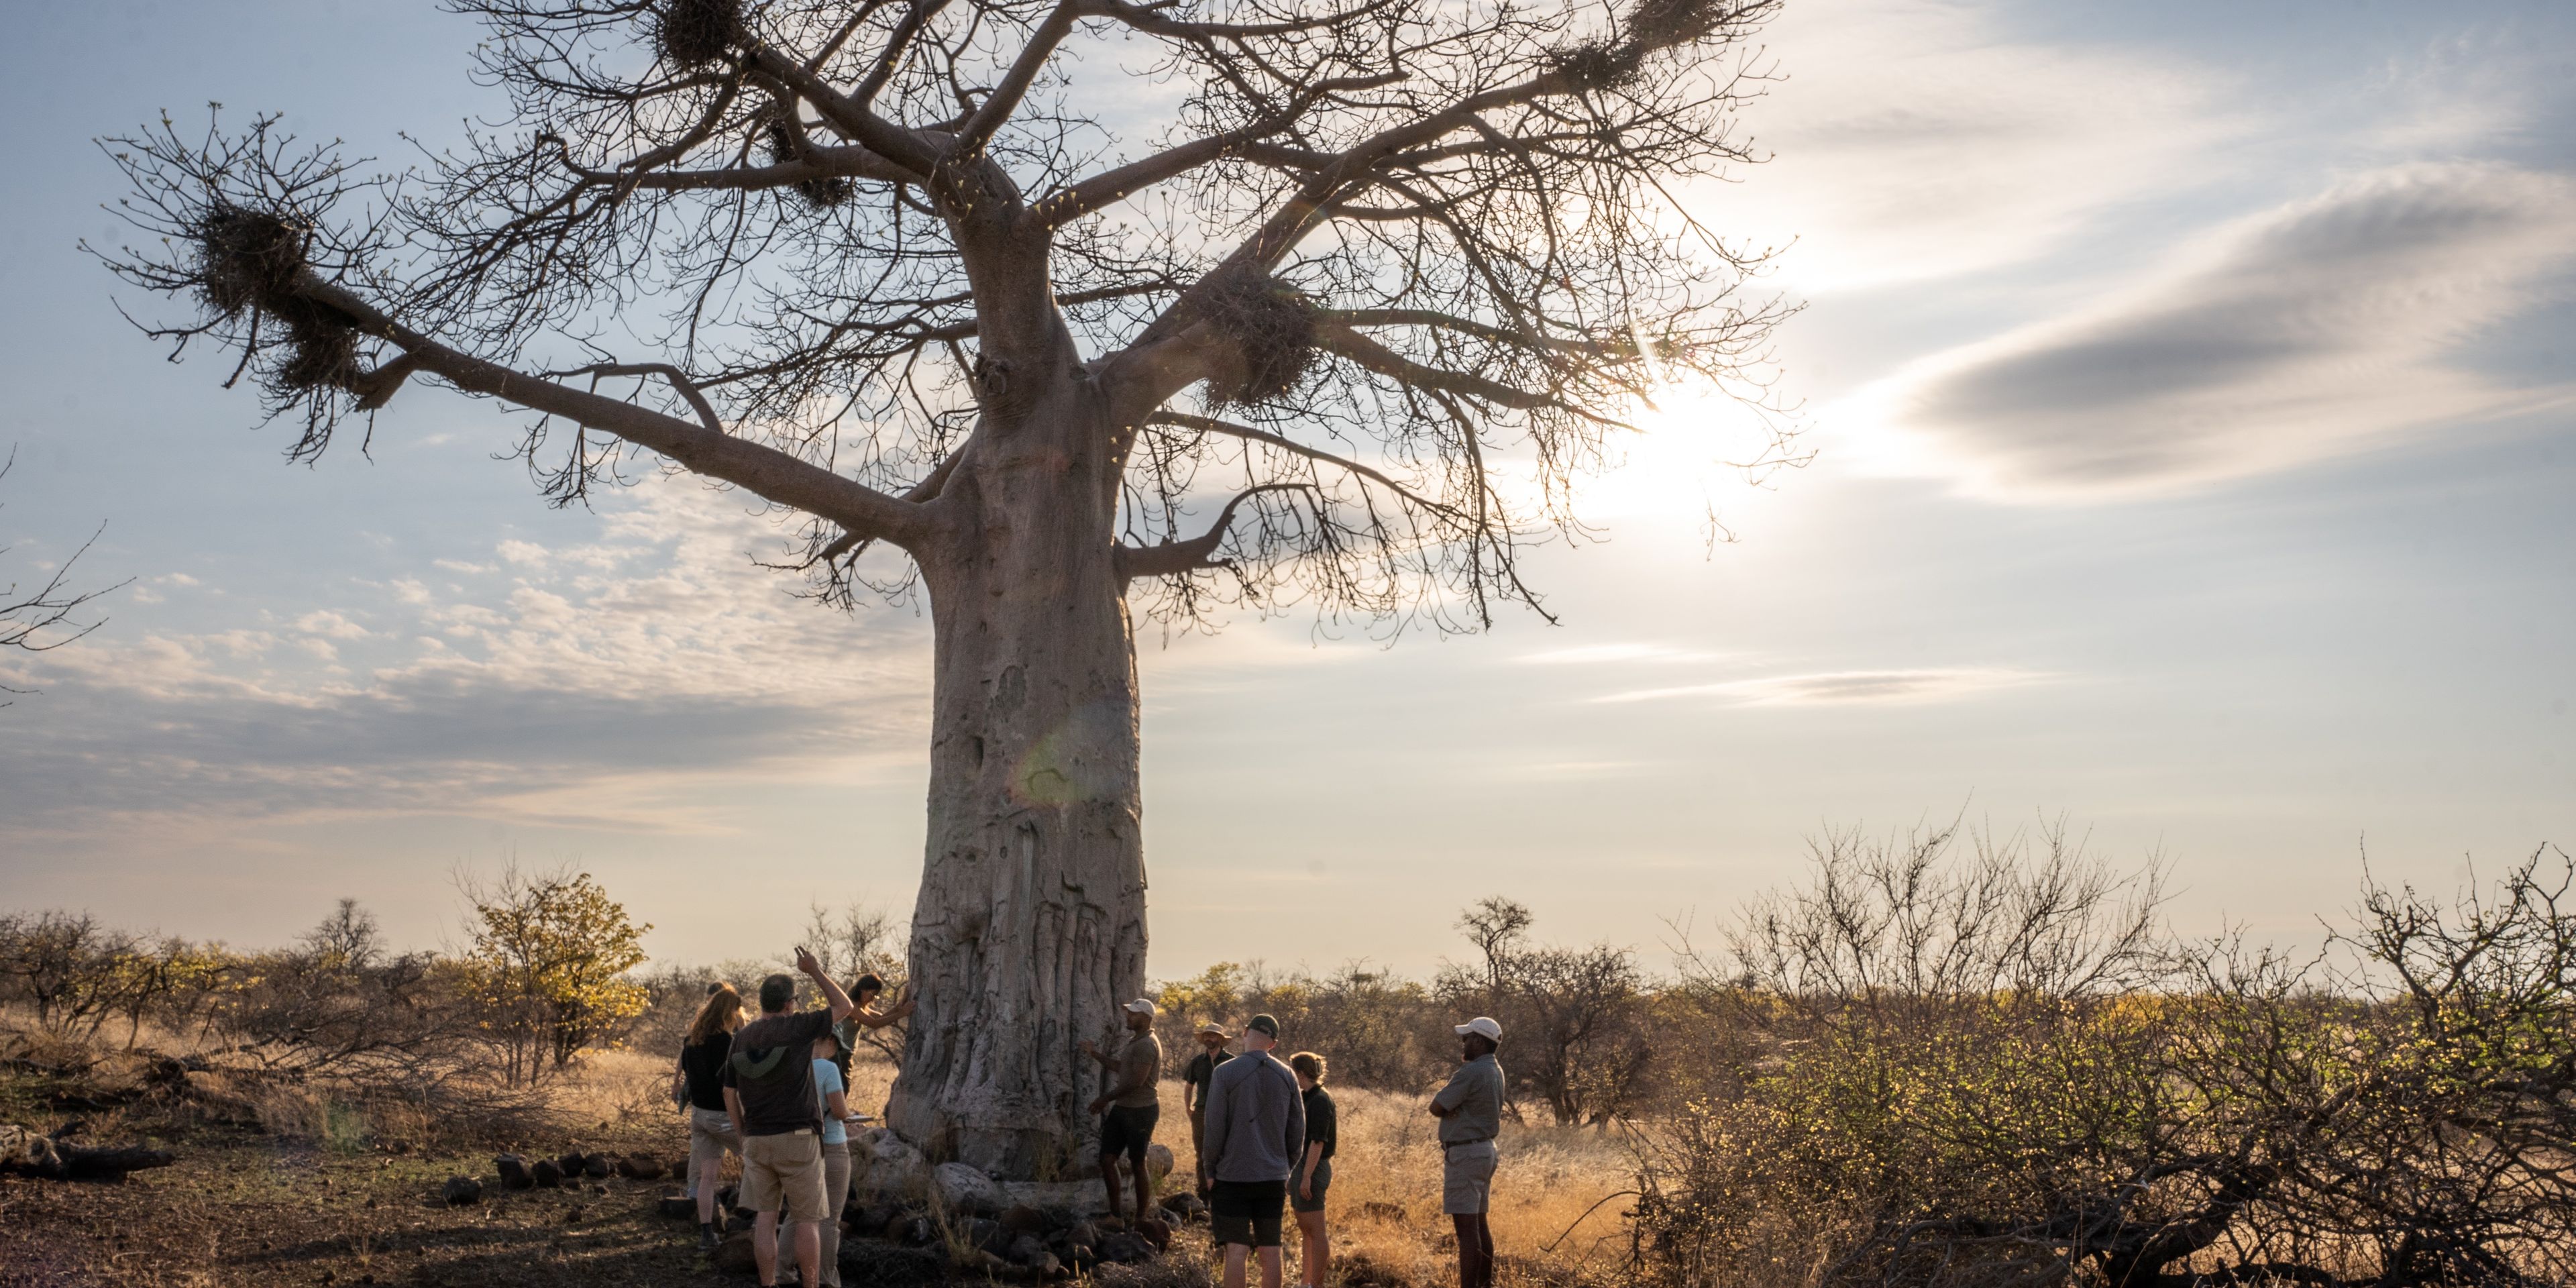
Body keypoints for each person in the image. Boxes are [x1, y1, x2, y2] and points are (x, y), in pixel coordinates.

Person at [722, 949, 858, 1288]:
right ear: (788, 1003)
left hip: (756, 1140)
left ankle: (769, 1284)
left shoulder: (742, 1037)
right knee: (808, 1221)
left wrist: (742, 1135)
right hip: (798, 1139)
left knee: (766, 1221)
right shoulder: (796, 1027)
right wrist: (814, 971)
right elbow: (845, 1007)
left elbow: (728, 1091)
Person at [1199, 1014, 1305, 1288]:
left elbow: (1213, 1130)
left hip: (1232, 1176)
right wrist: (1286, 1168)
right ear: (1274, 1043)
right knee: (1271, 1249)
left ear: (1245, 1032)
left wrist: (1210, 1168)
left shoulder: (1224, 1072)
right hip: (1272, 1177)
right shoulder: (1287, 1075)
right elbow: (1297, 1132)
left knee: (1237, 1249)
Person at [777, 1029, 859, 1287]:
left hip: (800, 1146)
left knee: (797, 1214)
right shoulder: (829, 1069)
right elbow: (838, 1110)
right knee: (829, 1217)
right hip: (832, 1146)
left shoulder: (791, 1067)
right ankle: (826, 1279)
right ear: (830, 1041)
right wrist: (849, 1113)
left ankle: (783, 1273)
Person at [1427, 1016, 1505, 1288]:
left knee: (1467, 1232)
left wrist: (1451, 1108)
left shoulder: (1471, 1072)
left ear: (1478, 1041)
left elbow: (1436, 1107)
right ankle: (1486, 1284)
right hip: (1485, 1151)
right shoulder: (1494, 1069)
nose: (1463, 1042)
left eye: (1467, 1038)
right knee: (1480, 1224)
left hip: (1466, 1155)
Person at [1079, 997, 1163, 1228]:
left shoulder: (1147, 1045)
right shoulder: (1136, 1041)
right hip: (1124, 1109)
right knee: (1107, 1159)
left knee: (1138, 1163)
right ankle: (1115, 1216)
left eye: (1134, 1014)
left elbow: (1136, 1082)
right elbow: (1122, 1068)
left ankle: (1141, 1218)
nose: (1128, 1016)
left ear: (1146, 1018)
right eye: (1128, 1012)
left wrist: (1105, 1099)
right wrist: (1094, 1054)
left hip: (1141, 1111)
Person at [675, 983, 747, 1250]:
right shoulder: (726, 1041)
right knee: (758, 1158)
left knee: (708, 1177)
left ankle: (707, 1233)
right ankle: (759, 1222)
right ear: (730, 1011)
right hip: (722, 1115)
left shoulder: (693, 1039)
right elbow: (730, 1083)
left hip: (700, 1115)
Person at [1289, 1052, 1337, 1288]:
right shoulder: (1306, 1096)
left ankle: (1317, 1284)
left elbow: (1318, 1142)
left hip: (1313, 1167)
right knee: (1306, 1229)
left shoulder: (1320, 1099)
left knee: (1316, 1230)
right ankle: (1306, 1282)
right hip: (1302, 1166)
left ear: (1299, 1073)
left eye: (1292, 1072)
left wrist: (1306, 1176)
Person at [828, 971, 915, 1087]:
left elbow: (881, 1017)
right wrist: (902, 1013)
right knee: (840, 1089)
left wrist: (900, 1005)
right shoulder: (851, 1006)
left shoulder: (861, 1007)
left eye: (876, 996)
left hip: (845, 1056)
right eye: (872, 994)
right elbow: (874, 1024)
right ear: (863, 990)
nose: (873, 999)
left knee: (843, 1088)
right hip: (837, 1056)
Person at [1183, 1022, 1235, 1189]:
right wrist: (1188, 1109)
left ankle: (1223, 1190)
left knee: (1224, 1152)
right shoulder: (1198, 1061)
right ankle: (1204, 1192)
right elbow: (1189, 1086)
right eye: (1206, 1036)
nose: (1208, 1039)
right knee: (1201, 1153)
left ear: (1220, 1039)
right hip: (1201, 1111)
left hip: (1224, 1112)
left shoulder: (1231, 1061)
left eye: (1212, 1036)